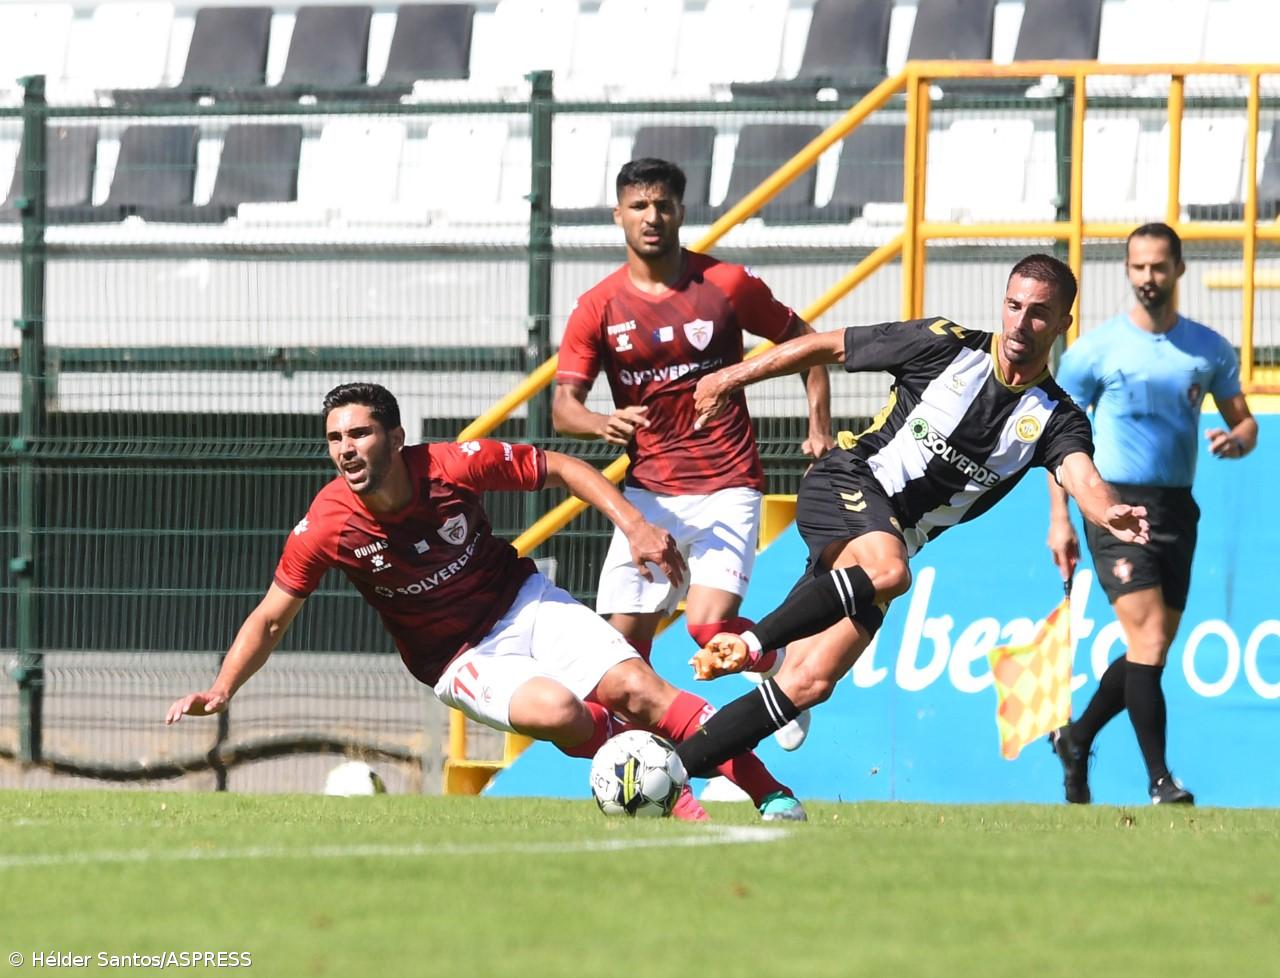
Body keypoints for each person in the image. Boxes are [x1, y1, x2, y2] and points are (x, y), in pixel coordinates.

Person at [165, 382, 806, 822]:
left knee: (640, 689)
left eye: (359, 433)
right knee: (559, 711)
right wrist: (222, 688)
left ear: (396, 436)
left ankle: (772, 796)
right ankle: (666, 784)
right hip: (456, 658)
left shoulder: (451, 466)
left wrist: (635, 525)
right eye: (335, 438)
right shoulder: (328, 524)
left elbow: (563, 468)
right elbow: (271, 617)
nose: (346, 449)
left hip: (522, 601)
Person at [656, 254, 1151, 784]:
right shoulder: (945, 346)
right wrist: (731, 377)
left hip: (887, 542)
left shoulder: (1055, 417)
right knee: (891, 573)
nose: (1020, 323)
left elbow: (1083, 478)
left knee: (811, 680)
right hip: (848, 481)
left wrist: (1107, 511)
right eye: (1014, 306)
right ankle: (754, 645)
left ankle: (669, 772)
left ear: (1062, 323)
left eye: (1038, 313)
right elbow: (829, 345)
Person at [552, 157, 834, 751]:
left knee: (708, 628)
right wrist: (600, 421)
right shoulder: (598, 306)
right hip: (649, 497)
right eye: (639, 206)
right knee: (620, 655)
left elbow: (806, 344)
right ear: (618, 215)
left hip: (728, 484)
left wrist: (819, 428)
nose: (651, 217)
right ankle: (642, 768)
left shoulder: (725, 285)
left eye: (663, 205)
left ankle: (779, 668)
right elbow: (563, 408)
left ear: (681, 211)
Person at [1045, 223, 1258, 806]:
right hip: (1113, 504)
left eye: (1158, 266)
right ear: (1127, 270)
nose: (1148, 277)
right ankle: (1161, 780)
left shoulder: (1208, 349)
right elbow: (1056, 442)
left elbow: (1244, 422)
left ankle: (1075, 738)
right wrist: (1060, 519)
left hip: (1177, 508)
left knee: (1152, 649)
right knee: (1147, 637)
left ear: (1178, 269)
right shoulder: (1095, 351)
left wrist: (1237, 441)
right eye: (1138, 266)